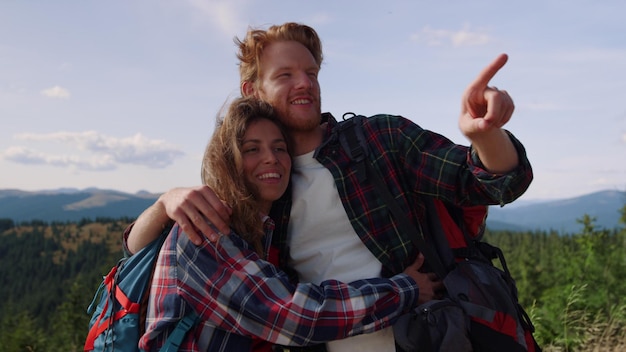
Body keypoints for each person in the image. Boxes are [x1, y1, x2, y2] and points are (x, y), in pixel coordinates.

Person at [127, 22, 533, 352]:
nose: (304, 83)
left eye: (311, 73)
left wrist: (485, 135)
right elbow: (143, 247)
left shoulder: (378, 139)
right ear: (253, 90)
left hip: (426, 337)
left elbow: (488, 182)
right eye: (285, 75)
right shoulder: (259, 182)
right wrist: (165, 202)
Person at [139, 96, 442, 351]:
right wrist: (406, 289)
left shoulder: (260, 231)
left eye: (279, 147)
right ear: (227, 161)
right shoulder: (205, 230)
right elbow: (293, 314)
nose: (271, 158)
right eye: (252, 149)